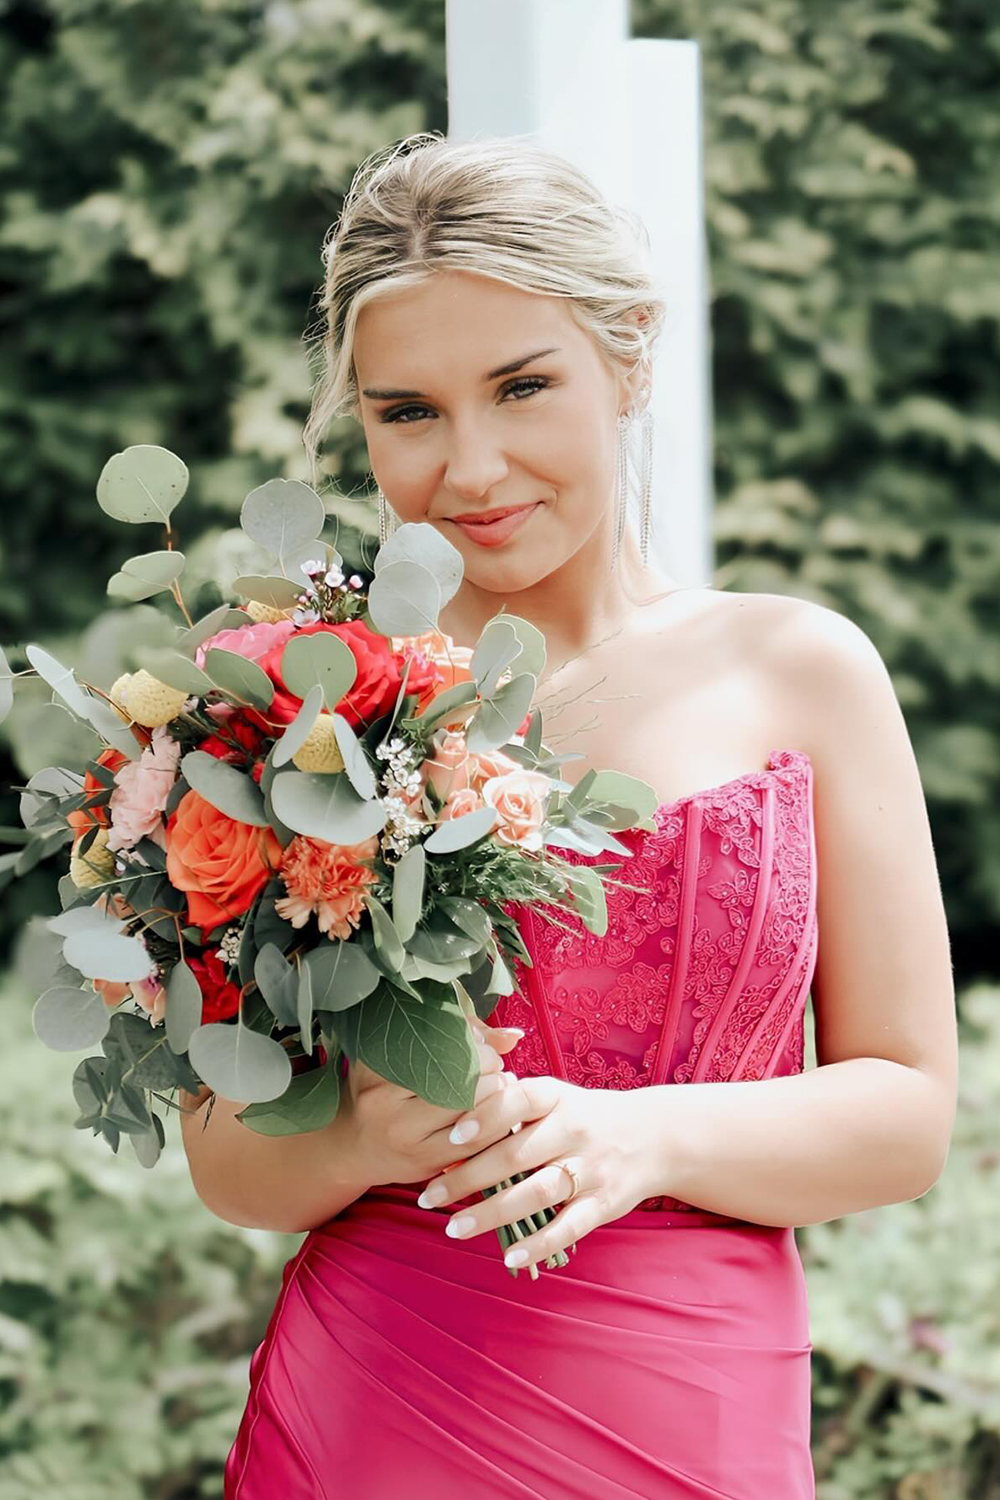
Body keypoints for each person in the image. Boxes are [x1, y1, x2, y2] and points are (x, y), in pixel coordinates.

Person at [182, 132, 958, 1499]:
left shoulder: (802, 669)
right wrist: (359, 1137)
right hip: (374, 1409)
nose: (473, 468)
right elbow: (226, 1160)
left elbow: (906, 1113)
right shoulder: (301, 715)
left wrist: (647, 1138)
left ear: (630, 357)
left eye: (523, 387)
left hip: (695, 1406)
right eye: (409, 412)